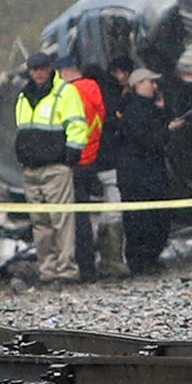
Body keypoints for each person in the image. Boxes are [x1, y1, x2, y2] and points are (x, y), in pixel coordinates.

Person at [13, 51, 87, 283]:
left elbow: (77, 126)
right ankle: (48, 270)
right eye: (34, 69)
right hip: (32, 168)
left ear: (50, 68)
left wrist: (69, 158)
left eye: (42, 68)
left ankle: (66, 270)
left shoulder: (65, 92)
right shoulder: (24, 96)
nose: (38, 73)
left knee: (62, 221)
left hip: (56, 167)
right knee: (41, 224)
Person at [117, 67, 175, 273]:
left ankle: (150, 257)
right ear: (138, 85)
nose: (155, 86)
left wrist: (162, 110)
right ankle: (140, 261)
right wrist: (166, 131)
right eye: (151, 82)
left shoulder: (148, 108)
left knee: (157, 217)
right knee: (141, 220)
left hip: (150, 171)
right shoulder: (134, 110)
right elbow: (146, 140)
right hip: (138, 174)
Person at [61, 57, 107, 280]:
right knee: (84, 215)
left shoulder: (68, 93)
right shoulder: (93, 88)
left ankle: (81, 266)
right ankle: (89, 266)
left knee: (74, 218)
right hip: (92, 156)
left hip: (74, 160)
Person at [93, 56, 134, 278]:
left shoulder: (96, 94)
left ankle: (107, 257)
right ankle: (112, 259)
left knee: (107, 211)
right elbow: (116, 126)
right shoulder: (113, 96)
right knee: (113, 211)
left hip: (97, 159)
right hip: (111, 161)